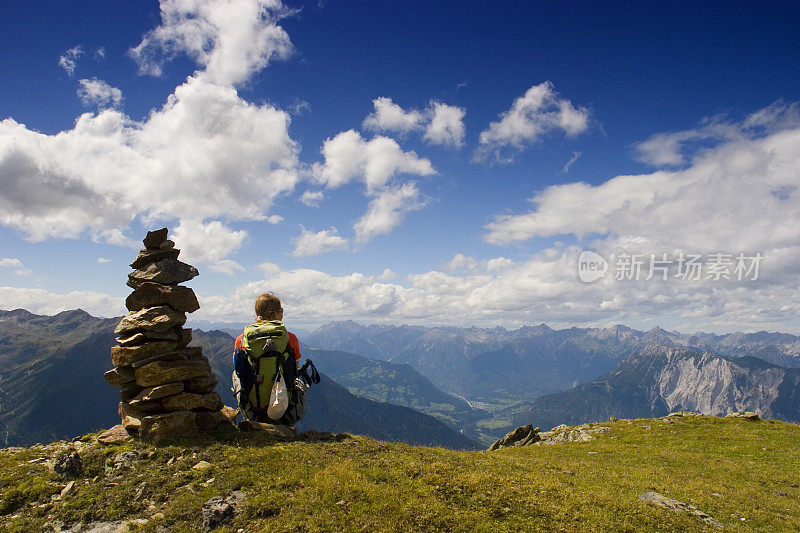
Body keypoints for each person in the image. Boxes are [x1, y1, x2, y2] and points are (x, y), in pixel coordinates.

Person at [232, 292, 302, 422]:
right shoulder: (290, 338)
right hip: (283, 402)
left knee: (235, 375)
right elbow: (293, 370)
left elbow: (240, 371)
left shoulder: (241, 340)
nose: (282, 314)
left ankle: (250, 416)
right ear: (275, 314)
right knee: (299, 382)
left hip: (253, 404)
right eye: (281, 311)